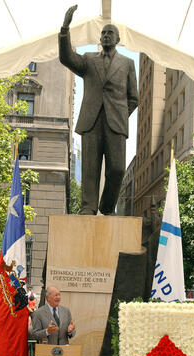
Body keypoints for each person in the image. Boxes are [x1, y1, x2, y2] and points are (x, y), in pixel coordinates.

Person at [59, 5, 138, 216]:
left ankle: (107, 206)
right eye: (103, 33)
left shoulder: (128, 64)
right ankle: (88, 206)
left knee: (118, 169)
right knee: (90, 167)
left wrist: (120, 113)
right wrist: (65, 29)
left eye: (109, 33)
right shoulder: (88, 59)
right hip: (91, 120)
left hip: (116, 123)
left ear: (118, 38)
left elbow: (134, 97)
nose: (105, 36)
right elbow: (66, 58)